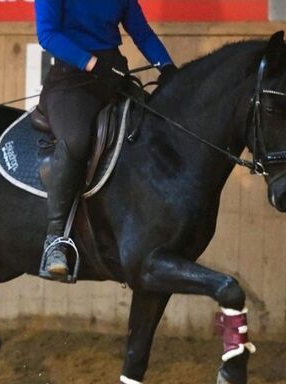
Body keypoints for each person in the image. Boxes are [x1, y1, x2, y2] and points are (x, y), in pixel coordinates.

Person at [35, 0, 178, 280]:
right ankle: (55, 240)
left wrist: (168, 68)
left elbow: (142, 33)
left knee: (151, 130)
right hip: (71, 79)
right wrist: (92, 63)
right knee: (76, 139)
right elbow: (48, 34)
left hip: (113, 76)